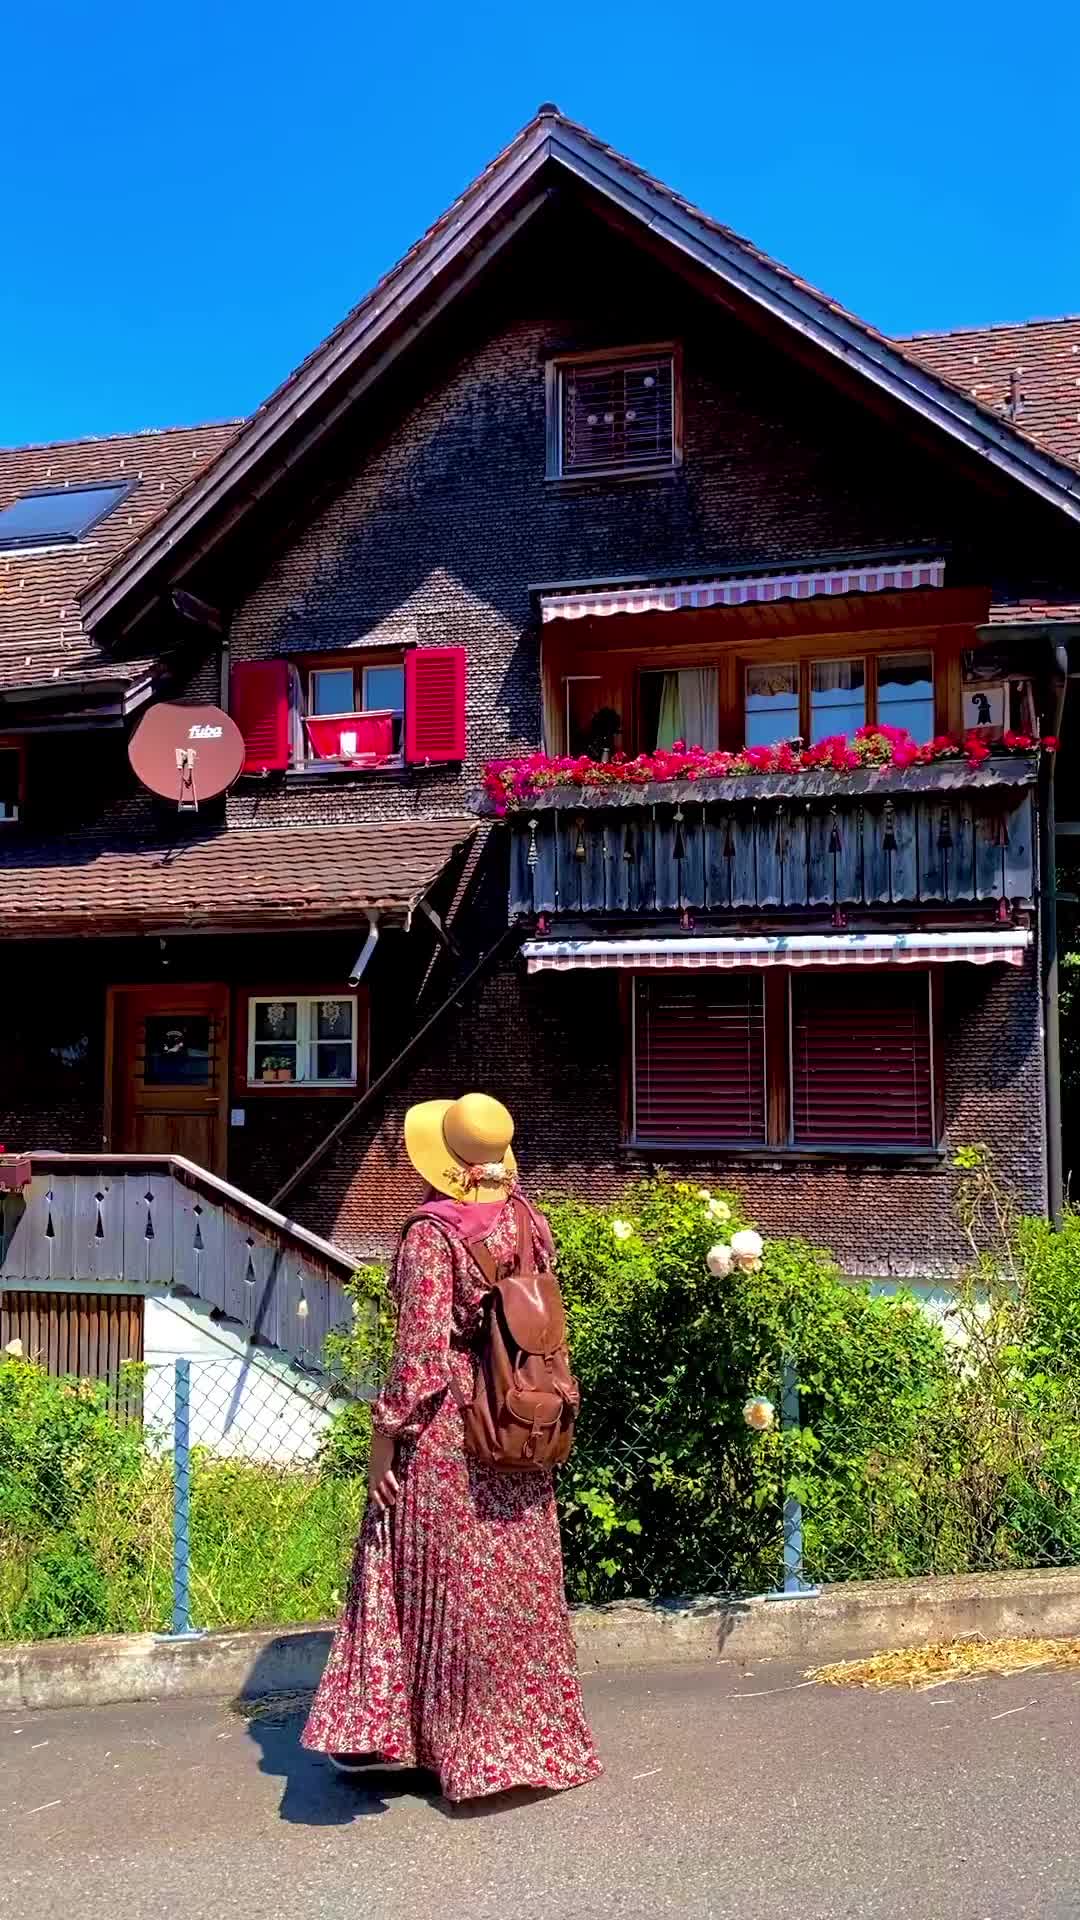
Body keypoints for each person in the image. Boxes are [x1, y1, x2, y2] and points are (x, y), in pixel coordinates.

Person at [301, 1091, 602, 1803]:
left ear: (439, 1159)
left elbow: (419, 1362)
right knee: (511, 1591)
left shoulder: (429, 1237)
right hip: (520, 1423)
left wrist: (383, 1441)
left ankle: (413, 1740)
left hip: (452, 1436)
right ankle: (526, 1740)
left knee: (408, 1566)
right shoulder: (531, 1222)